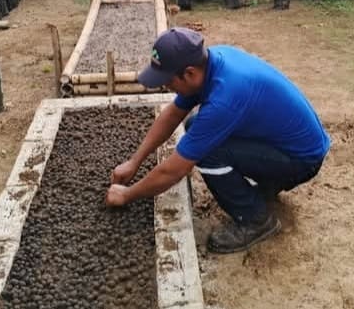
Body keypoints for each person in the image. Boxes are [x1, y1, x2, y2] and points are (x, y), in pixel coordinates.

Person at [105, 27, 330, 253]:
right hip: (288, 144)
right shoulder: (209, 63)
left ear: (189, 73)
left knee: (208, 153)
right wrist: (134, 161)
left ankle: (256, 221)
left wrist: (127, 195)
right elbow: (173, 114)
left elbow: (174, 170)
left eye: (168, 81)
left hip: (302, 161)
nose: (166, 87)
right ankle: (267, 186)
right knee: (195, 126)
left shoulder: (226, 96)